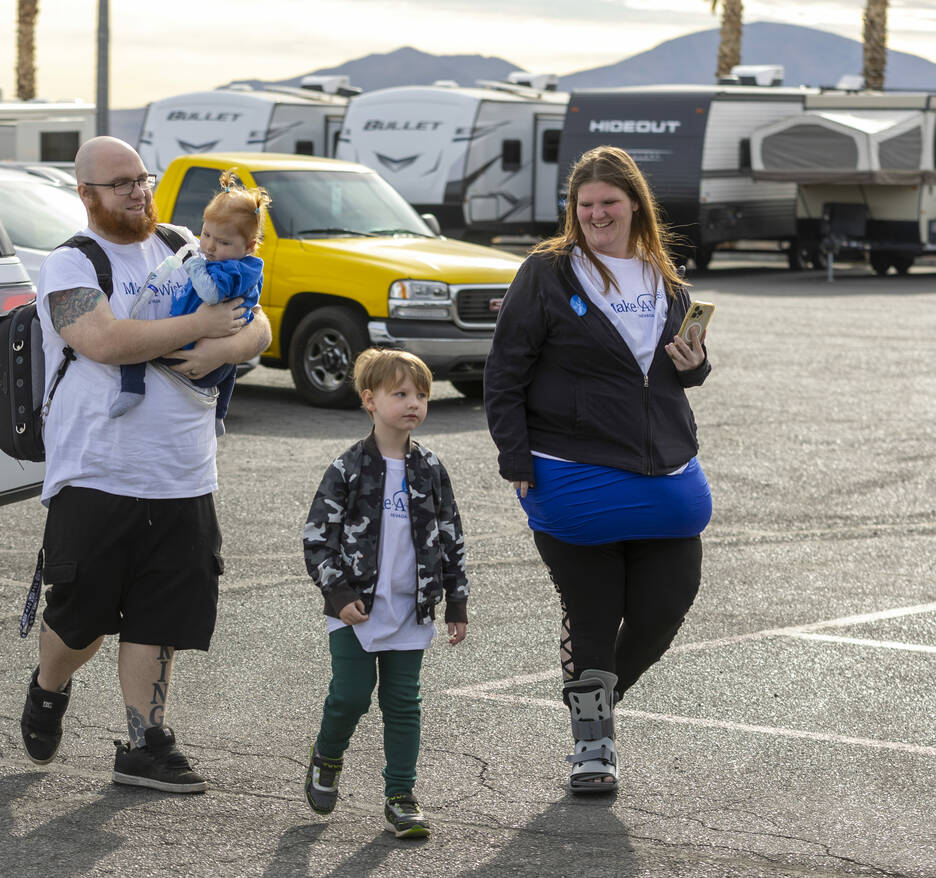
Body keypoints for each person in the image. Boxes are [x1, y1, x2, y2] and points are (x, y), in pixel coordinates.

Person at [19, 136, 271, 793]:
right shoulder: (71, 266)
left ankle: (145, 740)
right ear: (86, 194)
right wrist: (201, 329)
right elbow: (103, 341)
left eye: (142, 177)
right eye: (120, 183)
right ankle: (49, 685)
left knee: (161, 617)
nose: (138, 191)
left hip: (183, 472)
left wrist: (226, 347)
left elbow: (259, 323)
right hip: (97, 472)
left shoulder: (186, 242)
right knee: (83, 621)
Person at [482, 145, 712, 793]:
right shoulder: (549, 272)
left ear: (634, 203)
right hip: (571, 472)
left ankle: (593, 697)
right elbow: (505, 371)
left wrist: (695, 363)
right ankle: (593, 747)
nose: (596, 214)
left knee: (664, 609)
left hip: (666, 475)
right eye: (585, 206)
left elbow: (679, 374)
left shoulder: (663, 278)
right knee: (592, 612)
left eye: (609, 203)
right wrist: (515, 458)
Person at [301, 348, 469, 838]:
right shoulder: (349, 467)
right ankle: (327, 756)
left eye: (421, 395)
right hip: (354, 608)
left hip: (411, 610)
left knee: (403, 704)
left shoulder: (431, 469)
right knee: (351, 696)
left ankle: (401, 796)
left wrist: (455, 600)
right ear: (370, 400)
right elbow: (317, 538)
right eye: (400, 394)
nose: (413, 403)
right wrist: (336, 593)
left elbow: (452, 535)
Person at [108, 169, 269, 436]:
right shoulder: (242, 264)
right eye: (206, 234)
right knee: (229, 370)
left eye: (223, 242)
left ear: (250, 245)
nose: (209, 247)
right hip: (214, 364)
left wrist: (194, 266)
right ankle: (219, 414)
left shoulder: (229, 268)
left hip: (190, 352)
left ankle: (131, 389)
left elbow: (211, 294)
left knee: (137, 351)